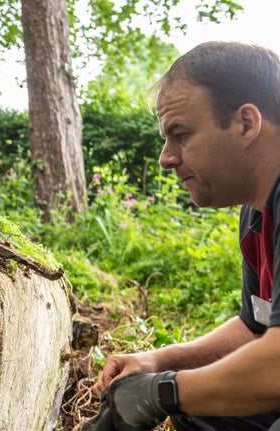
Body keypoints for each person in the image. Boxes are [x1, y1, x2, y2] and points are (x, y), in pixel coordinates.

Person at [83, 41, 280, 431]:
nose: (166, 157)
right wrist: (159, 361)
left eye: (180, 134)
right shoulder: (257, 214)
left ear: (246, 123)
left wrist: (162, 391)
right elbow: (254, 327)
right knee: (201, 412)